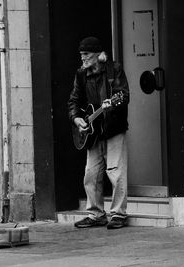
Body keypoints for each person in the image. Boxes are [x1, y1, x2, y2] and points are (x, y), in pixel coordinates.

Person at [68, 36, 130, 229]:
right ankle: (96, 214)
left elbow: (124, 96)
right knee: (91, 174)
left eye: (86, 55)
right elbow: (73, 101)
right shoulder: (81, 74)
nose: (83, 59)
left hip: (113, 128)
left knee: (115, 172)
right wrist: (77, 119)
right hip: (93, 133)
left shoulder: (113, 69)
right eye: (81, 55)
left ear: (97, 55)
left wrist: (109, 106)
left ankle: (118, 214)